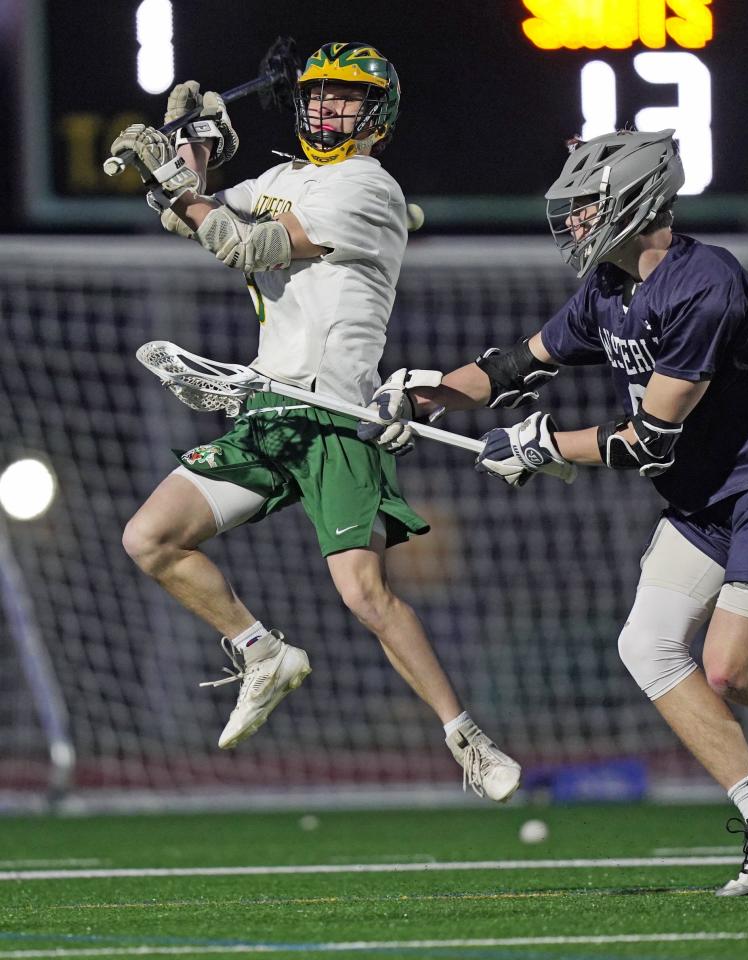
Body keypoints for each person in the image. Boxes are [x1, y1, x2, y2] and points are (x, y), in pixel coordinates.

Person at [359, 129, 748, 893]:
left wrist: (543, 446)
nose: (574, 224)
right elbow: (516, 365)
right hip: (698, 497)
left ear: (638, 202)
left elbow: (645, 439)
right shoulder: (609, 289)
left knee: (729, 669)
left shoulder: (704, 285)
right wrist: (421, 395)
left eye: (586, 209)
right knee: (646, 646)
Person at [109, 41, 521, 803]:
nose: (329, 108)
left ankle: (466, 737)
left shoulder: (368, 187)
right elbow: (189, 219)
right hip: (266, 405)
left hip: (335, 414)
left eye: (348, 98)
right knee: (149, 537)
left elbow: (244, 243)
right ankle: (261, 652)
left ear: (378, 117)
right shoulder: (280, 178)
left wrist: (180, 182)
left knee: (366, 595)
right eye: (320, 95)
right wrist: (193, 153)